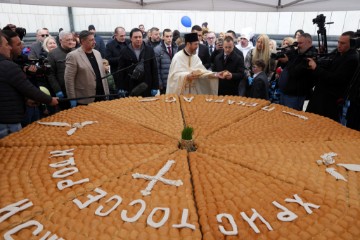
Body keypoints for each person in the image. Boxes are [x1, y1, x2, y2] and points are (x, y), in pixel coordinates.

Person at [0, 32, 58, 139]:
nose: (9, 48)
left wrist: (26, 100)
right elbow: (28, 89)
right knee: (12, 152)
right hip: (8, 120)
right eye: (6, 45)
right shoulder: (7, 66)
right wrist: (50, 100)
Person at [306, 31, 359, 121]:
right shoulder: (337, 52)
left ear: (353, 44)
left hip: (329, 101)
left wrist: (316, 68)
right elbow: (327, 63)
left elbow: (335, 79)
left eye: (342, 43)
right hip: (319, 95)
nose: (339, 45)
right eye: (338, 42)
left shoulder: (352, 59)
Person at [65, 30, 109, 107]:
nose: (94, 42)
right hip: (85, 98)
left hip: (101, 95)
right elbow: (69, 79)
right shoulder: (73, 56)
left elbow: (101, 74)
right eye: (91, 40)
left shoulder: (97, 53)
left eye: (94, 39)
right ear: (83, 41)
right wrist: (72, 98)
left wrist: (106, 92)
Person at [278, 33, 317, 111]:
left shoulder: (311, 55)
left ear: (309, 42)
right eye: (297, 43)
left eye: (300, 43)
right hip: (286, 92)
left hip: (295, 95)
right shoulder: (298, 52)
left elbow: (295, 72)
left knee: (290, 118)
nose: (298, 45)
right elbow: (285, 67)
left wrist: (287, 61)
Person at [116, 28, 159, 97]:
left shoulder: (149, 50)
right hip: (130, 87)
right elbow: (121, 71)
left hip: (146, 86)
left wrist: (155, 86)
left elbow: (154, 69)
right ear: (131, 38)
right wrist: (120, 87)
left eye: (140, 37)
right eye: (135, 37)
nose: (138, 39)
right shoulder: (124, 51)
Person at [47, 31, 76, 110]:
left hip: (76, 89)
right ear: (60, 40)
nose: (70, 42)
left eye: (71, 39)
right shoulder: (53, 54)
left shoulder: (76, 52)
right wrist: (57, 90)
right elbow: (50, 74)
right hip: (63, 90)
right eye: (67, 40)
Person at [154, 29, 178, 94]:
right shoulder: (158, 50)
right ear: (163, 37)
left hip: (175, 81)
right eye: (167, 36)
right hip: (164, 82)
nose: (169, 38)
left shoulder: (176, 48)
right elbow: (157, 68)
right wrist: (160, 83)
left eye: (170, 36)